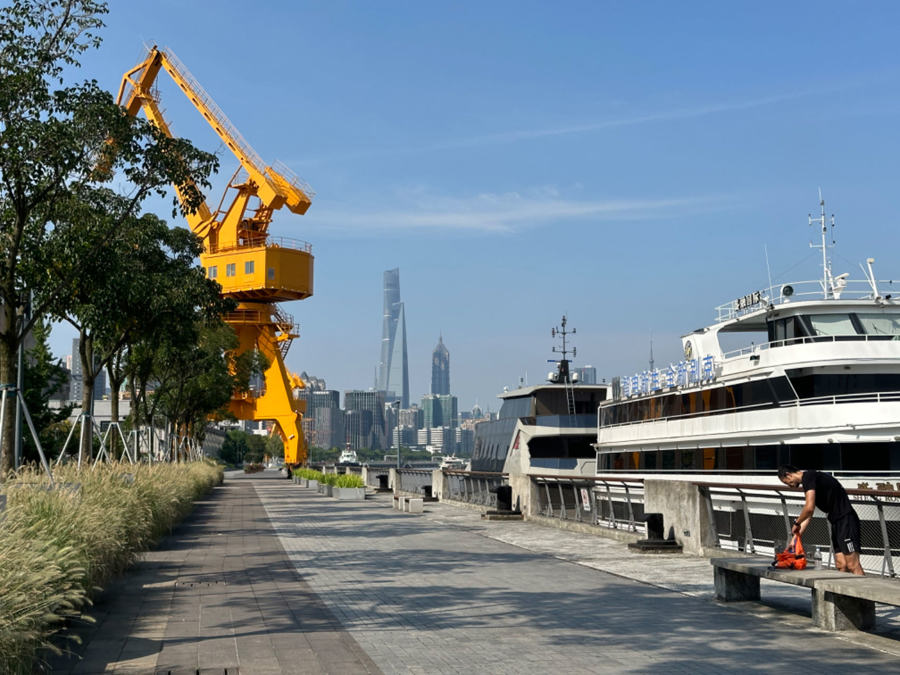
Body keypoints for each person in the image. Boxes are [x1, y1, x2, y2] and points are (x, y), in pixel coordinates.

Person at [777, 465, 864, 575]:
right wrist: (794, 540)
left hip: (846, 520)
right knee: (841, 564)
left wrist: (797, 522)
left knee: (853, 565)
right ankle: (843, 592)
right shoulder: (809, 480)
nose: (790, 486)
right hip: (836, 522)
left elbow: (809, 508)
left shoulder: (809, 477)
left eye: (787, 482)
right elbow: (809, 515)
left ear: (788, 475)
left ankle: (868, 591)